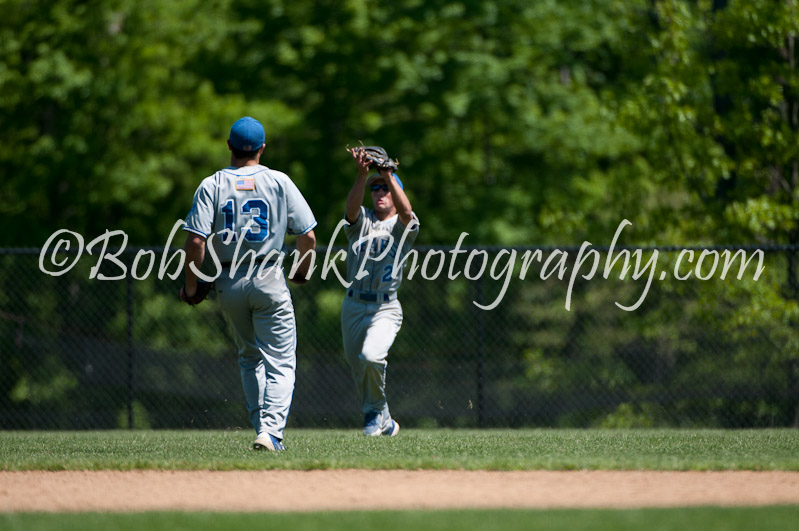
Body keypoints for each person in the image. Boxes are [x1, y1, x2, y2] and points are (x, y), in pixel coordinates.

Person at [181, 116, 317, 451]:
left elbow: (196, 243)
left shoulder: (211, 184)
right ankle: (270, 432)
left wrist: (192, 283)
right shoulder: (279, 181)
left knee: (249, 357)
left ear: (229, 146)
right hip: (269, 276)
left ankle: (261, 427)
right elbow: (308, 236)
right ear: (262, 148)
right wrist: (301, 270)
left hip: (229, 279)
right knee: (280, 360)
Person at [341, 146, 420, 436]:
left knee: (371, 357)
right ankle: (384, 415)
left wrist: (388, 175)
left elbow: (408, 213)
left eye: (385, 188)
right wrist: (363, 175)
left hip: (385, 307)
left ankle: (374, 414)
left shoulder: (402, 228)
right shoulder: (361, 222)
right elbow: (350, 212)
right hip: (353, 305)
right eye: (376, 188)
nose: (379, 192)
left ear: (395, 192)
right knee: (359, 370)